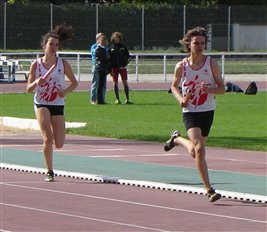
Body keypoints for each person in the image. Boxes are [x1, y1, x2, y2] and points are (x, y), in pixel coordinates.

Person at [164, 27, 225, 202]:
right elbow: (174, 86)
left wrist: (210, 89)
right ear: (188, 44)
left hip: (208, 110)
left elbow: (222, 88)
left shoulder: (211, 63)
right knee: (199, 148)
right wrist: (181, 99)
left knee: (196, 151)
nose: (199, 46)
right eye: (196, 43)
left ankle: (176, 139)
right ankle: (209, 189)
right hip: (190, 111)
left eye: (202, 43)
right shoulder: (181, 66)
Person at [26, 24, 78, 182]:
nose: (54, 47)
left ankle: (51, 155)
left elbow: (74, 83)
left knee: (60, 143)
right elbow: (28, 89)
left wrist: (65, 91)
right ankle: (49, 171)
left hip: (58, 103)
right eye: (51, 44)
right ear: (44, 46)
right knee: (47, 138)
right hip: (42, 102)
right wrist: (36, 82)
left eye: (56, 44)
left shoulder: (63, 64)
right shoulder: (36, 64)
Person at [108, 32, 131, 104]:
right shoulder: (111, 48)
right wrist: (110, 69)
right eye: (115, 38)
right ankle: (117, 99)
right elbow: (108, 59)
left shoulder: (123, 47)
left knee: (125, 83)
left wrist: (125, 64)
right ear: (113, 39)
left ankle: (127, 99)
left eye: (118, 38)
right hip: (114, 68)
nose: (117, 39)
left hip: (122, 68)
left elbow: (128, 57)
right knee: (115, 83)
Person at [90, 33, 106, 105]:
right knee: (95, 83)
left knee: (103, 84)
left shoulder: (104, 47)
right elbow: (95, 53)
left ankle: (102, 98)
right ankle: (93, 99)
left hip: (103, 66)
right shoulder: (94, 46)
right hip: (96, 66)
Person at [95, 35, 109, 104]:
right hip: (101, 68)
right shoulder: (98, 49)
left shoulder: (104, 48)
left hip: (104, 67)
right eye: (102, 41)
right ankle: (99, 100)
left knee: (102, 84)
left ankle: (101, 99)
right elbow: (102, 58)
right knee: (100, 85)